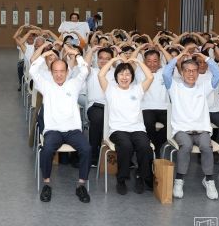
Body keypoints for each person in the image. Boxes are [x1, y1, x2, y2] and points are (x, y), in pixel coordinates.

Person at [30, 45, 91, 203]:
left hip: (73, 131)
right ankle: (47, 184)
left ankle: (81, 185)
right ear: (51, 72)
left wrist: (77, 55)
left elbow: (84, 70)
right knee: (47, 149)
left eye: (62, 71)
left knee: (86, 149)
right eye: (55, 71)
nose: (58, 75)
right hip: (53, 130)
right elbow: (33, 71)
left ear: (67, 72)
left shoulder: (74, 84)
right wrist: (44, 55)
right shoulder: (46, 85)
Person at [163, 52, 219, 200]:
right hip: (181, 130)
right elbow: (165, 73)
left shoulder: (203, 87)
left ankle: (209, 180)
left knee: (206, 146)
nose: (191, 73)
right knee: (186, 146)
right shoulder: (174, 87)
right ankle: (179, 180)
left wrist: (205, 58)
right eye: (187, 70)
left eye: (194, 70)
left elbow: (218, 75)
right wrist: (178, 57)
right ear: (182, 72)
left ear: (198, 73)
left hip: (202, 130)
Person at [99, 55, 154, 195]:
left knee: (144, 146)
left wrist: (138, 61)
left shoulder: (137, 89)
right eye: (121, 74)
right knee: (126, 146)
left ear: (132, 76)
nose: (124, 77)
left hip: (137, 129)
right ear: (116, 76)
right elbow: (101, 74)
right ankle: (121, 179)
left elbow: (150, 77)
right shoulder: (110, 90)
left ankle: (141, 176)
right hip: (118, 130)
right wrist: (114, 60)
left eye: (128, 74)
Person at [84, 46, 114, 167]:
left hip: (112, 107)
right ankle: (94, 155)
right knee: (98, 117)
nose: (103, 61)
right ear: (97, 59)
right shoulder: (92, 72)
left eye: (107, 59)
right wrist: (91, 51)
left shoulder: (116, 73)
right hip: (95, 106)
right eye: (101, 58)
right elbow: (85, 66)